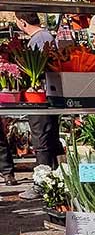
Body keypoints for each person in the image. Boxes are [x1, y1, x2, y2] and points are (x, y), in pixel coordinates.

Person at [12, 11, 59, 199]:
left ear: (23, 22)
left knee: (42, 141)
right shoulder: (44, 36)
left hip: (40, 98)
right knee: (49, 139)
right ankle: (53, 181)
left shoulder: (39, 39)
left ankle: (41, 183)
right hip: (46, 96)